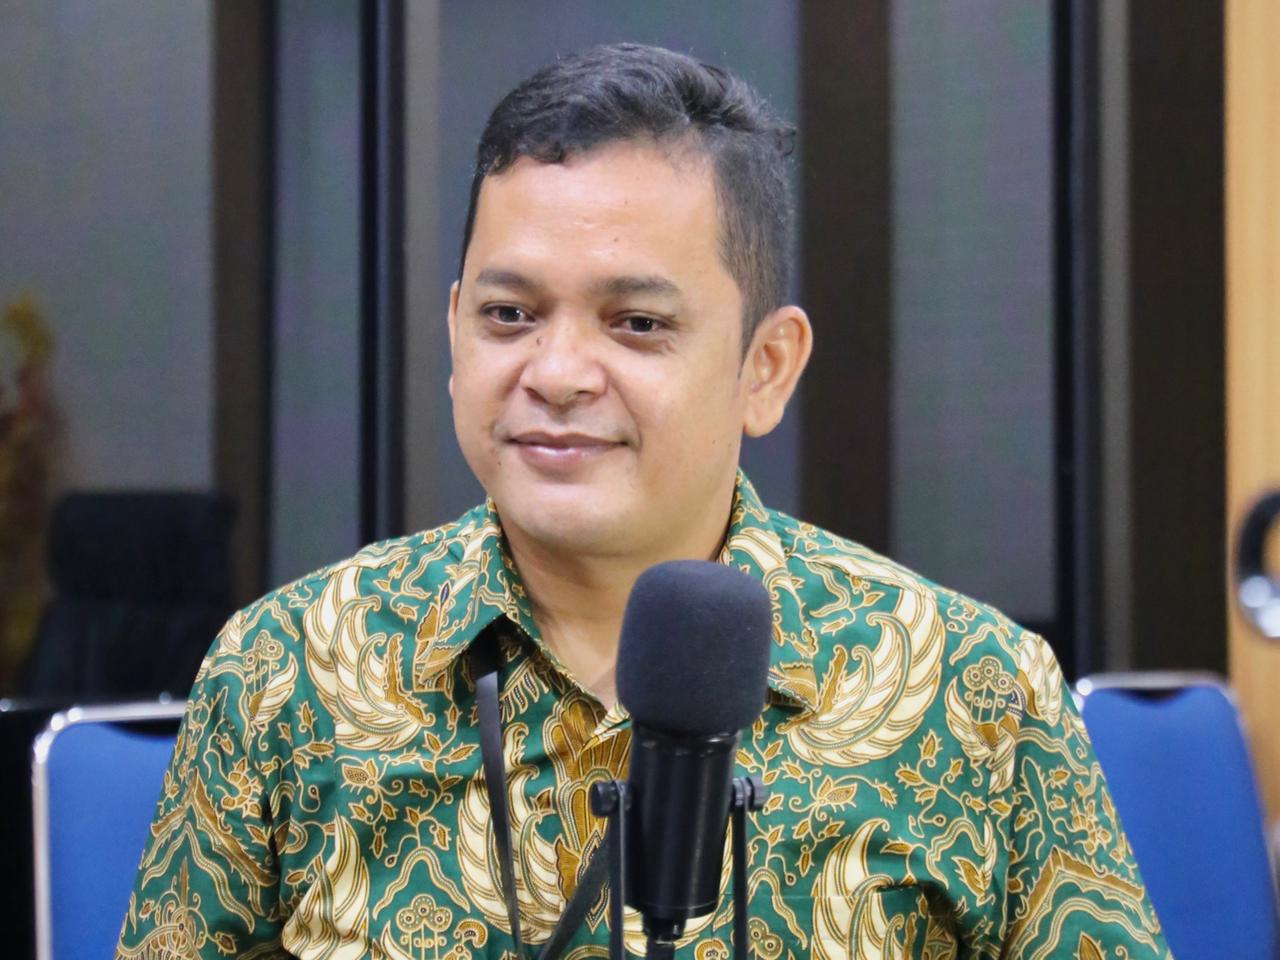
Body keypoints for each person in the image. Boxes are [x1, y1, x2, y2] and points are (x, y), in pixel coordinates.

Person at [117, 43, 1170, 959]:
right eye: (509, 314)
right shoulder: (283, 675)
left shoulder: (975, 696)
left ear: (765, 366)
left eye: (636, 325)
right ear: (454, 332)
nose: (556, 373)